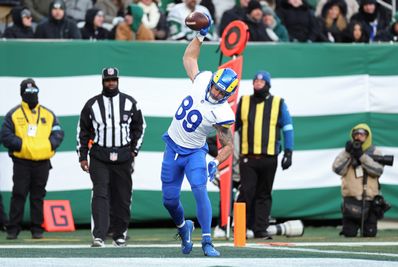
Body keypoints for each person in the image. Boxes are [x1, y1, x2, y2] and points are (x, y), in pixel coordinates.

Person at [160, 17, 237, 257]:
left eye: (220, 92)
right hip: (172, 146)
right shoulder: (203, 80)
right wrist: (200, 35)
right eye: (215, 87)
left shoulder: (223, 111)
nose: (215, 92)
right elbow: (189, 58)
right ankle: (184, 228)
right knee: (169, 200)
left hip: (194, 151)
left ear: (227, 95)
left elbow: (228, 146)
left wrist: (215, 161)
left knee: (199, 189)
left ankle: (207, 241)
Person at [77, 67, 146, 248]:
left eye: (113, 80)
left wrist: (134, 150)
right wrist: (82, 156)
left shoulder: (130, 103)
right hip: (99, 155)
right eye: (108, 80)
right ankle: (99, 236)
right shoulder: (91, 104)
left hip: (123, 156)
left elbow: (140, 127)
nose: (111, 83)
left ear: (118, 81)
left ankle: (119, 234)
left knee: (122, 196)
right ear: (103, 81)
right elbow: (82, 131)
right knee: (100, 194)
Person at [0, 78, 64, 240]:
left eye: (34, 92)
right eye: (28, 92)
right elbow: (5, 136)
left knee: (38, 196)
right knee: (19, 194)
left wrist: (48, 145)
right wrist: (24, 146)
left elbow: (58, 132)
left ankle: (37, 229)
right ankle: (13, 229)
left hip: (42, 162)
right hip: (22, 162)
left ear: (38, 93)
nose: (31, 95)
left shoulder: (48, 114)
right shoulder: (13, 114)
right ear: (22, 94)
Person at [235, 70, 294, 238]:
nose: (257, 84)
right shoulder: (244, 101)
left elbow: (288, 128)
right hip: (248, 158)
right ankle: (239, 228)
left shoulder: (278, 103)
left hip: (269, 157)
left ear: (268, 85)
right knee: (246, 192)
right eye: (255, 82)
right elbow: (233, 126)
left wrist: (288, 152)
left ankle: (260, 228)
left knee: (264, 194)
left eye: (261, 82)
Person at [332, 124, 385, 237]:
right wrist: (347, 153)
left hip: (370, 201)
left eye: (362, 134)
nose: (359, 137)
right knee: (349, 234)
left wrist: (361, 156)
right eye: (356, 134)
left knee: (369, 234)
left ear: (367, 136)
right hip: (351, 201)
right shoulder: (346, 152)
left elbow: (378, 171)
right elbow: (337, 169)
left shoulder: (375, 152)